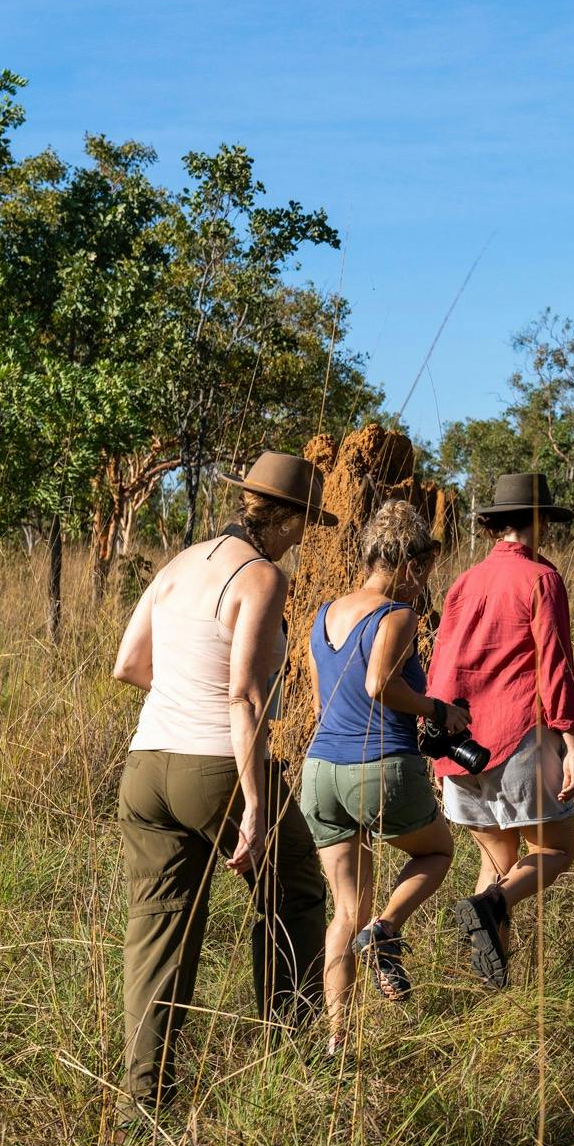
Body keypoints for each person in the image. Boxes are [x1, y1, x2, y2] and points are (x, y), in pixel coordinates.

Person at [111, 451, 335, 1107]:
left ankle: (145, 1099)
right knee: (295, 890)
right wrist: (258, 806)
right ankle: (289, 1060)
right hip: (219, 768)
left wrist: (185, 689)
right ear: (288, 518)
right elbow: (241, 697)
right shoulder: (261, 576)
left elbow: (128, 664)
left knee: (158, 929)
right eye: (304, 523)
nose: (304, 537)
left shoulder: (178, 565)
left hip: (146, 764)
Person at [300, 501, 459, 1052]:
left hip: (319, 771)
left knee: (345, 909)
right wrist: (438, 711)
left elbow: (328, 699)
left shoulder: (323, 614)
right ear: (411, 563)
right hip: (378, 766)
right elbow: (378, 686)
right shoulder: (397, 614)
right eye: (426, 570)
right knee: (437, 852)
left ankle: (338, 1042)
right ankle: (387, 931)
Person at [426, 473, 574, 988]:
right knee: (557, 851)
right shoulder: (541, 579)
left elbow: (442, 664)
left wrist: (439, 749)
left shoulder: (464, 581)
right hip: (517, 734)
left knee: (499, 859)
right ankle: (492, 904)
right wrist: (571, 737)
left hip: (461, 746)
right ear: (537, 521)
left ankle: (489, 985)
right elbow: (555, 665)